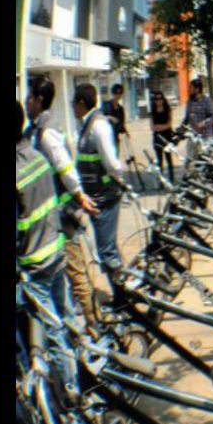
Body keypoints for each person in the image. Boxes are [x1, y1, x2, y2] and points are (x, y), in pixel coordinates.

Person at [16, 100, 80, 406]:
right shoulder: (38, 158)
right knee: (67, 318)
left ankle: (71, 393)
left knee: (52, 332)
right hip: (55, 252)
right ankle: (80, 370)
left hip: (35, 265)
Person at [24, 76, 100, 329]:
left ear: (39, 100)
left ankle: (95, 327)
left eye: (30, 97)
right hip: (53, 215)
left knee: (75, 272)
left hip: (63, 215)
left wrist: (80, 195)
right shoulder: (36, 130)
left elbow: (65, 167)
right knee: (66, 275)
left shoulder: (46, 133)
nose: (26, 101)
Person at [73, 84, 126, 285]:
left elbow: (112, 164)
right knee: (107, 247)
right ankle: (121, 287)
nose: (72, 108)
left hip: (106, 196)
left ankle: (122, 294)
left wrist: (120, 180)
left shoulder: (98, 126)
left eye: (73, 104)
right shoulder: (86, 124)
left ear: (81, 103)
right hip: (96, 197)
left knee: (107, 251)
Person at [182, 78, 213, 151]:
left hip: (206, 136)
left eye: (191, 88)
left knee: (206, 157)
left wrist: (202, 124)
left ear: (197, 89)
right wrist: (181, 127)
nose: (189, 90)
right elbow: (187, 117)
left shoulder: (207, 101)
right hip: (193, 136)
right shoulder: (190, 101)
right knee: (191, 157)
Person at [150, 90, 175, 183]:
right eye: (156, 99)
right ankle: (161, 181)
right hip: (157, 138)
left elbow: (169, 124)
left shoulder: (168, 109)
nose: (159, 101)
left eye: (160, 99)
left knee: (169, 159)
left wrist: (161, 127)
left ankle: (171, 179)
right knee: (159, 160)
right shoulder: (152, 112)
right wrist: (161, 127)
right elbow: (152, 127)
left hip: (167, 137)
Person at [101, 83, 128, 152]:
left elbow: (122, 124)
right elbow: (99, 117)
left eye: (120, 93)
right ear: (113, 93)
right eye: (116, 93)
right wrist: (109, 118)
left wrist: (125, 133)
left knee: (115, 156)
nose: (118, 95)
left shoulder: (120, 109)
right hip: (105, 137)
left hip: (115, 137)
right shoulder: (106, 105)